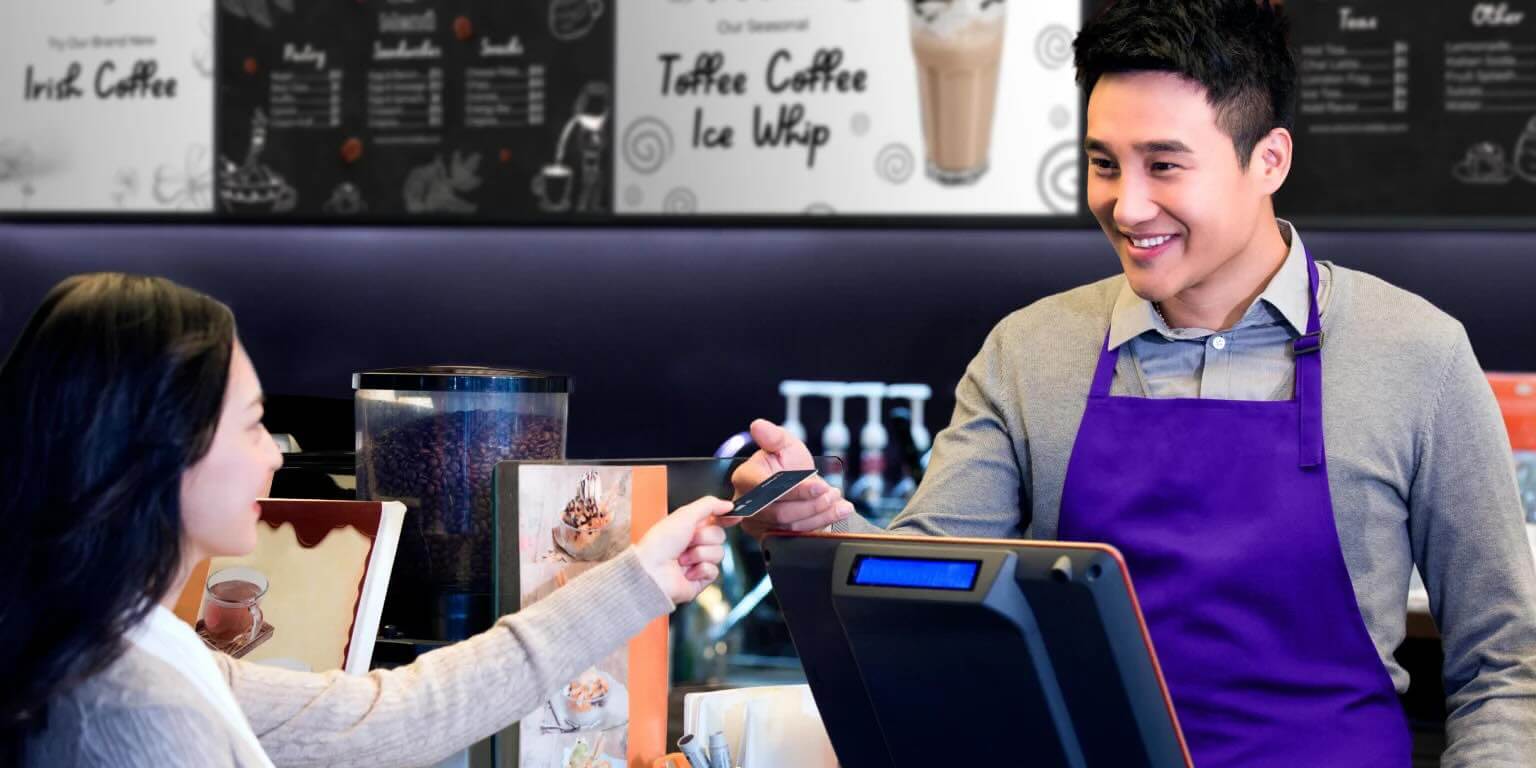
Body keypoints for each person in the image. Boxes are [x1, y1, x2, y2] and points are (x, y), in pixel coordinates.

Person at [731, 1, 1536, 765]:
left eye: (1164, 165)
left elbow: (1507, 662)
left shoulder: (1416, 355)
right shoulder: (1029, 352)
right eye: (1104, 163)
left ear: (1270, 160)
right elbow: (928, 584)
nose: (1127, 203)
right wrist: (825, 530)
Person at [0, 273, 731, 767]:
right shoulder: (136, 713)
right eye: (255, 427)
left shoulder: (125, 642)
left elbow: (390, 714)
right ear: (162, 449)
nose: (277, 461)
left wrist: (640, 575)